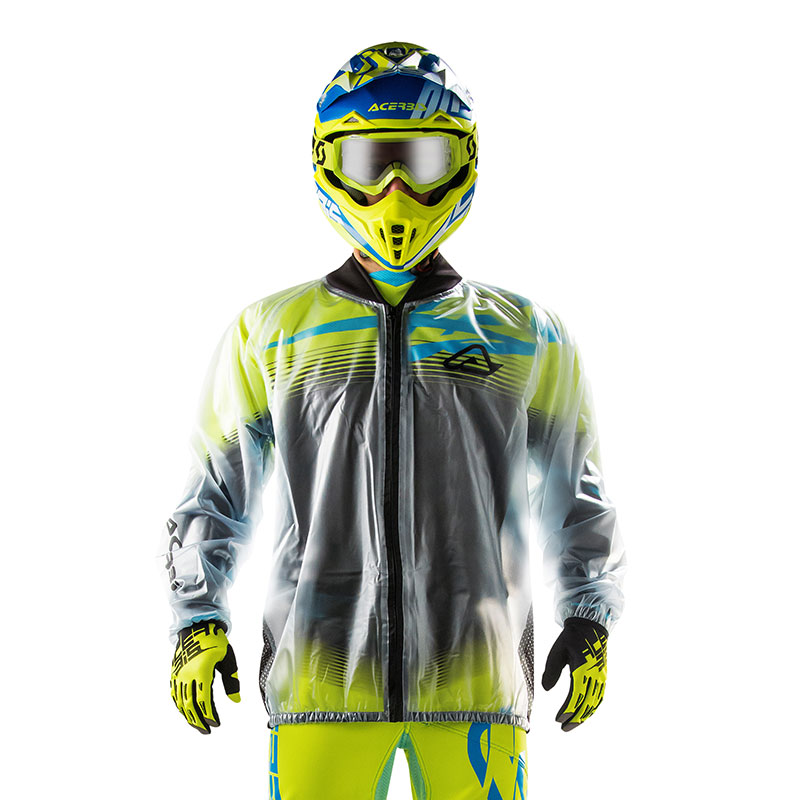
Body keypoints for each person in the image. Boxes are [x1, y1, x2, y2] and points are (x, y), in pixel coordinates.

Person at [162, 41, 626, 800]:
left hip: (476, 686)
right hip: (321, 685)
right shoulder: (272, 333)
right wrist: (197, 620)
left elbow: (578, 494)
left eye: (423, 161)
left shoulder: (526, 336)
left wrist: (589, 616)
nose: (397, 190)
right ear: (328, 162)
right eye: (373, 162)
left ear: (463, 162)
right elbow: (215, 492)